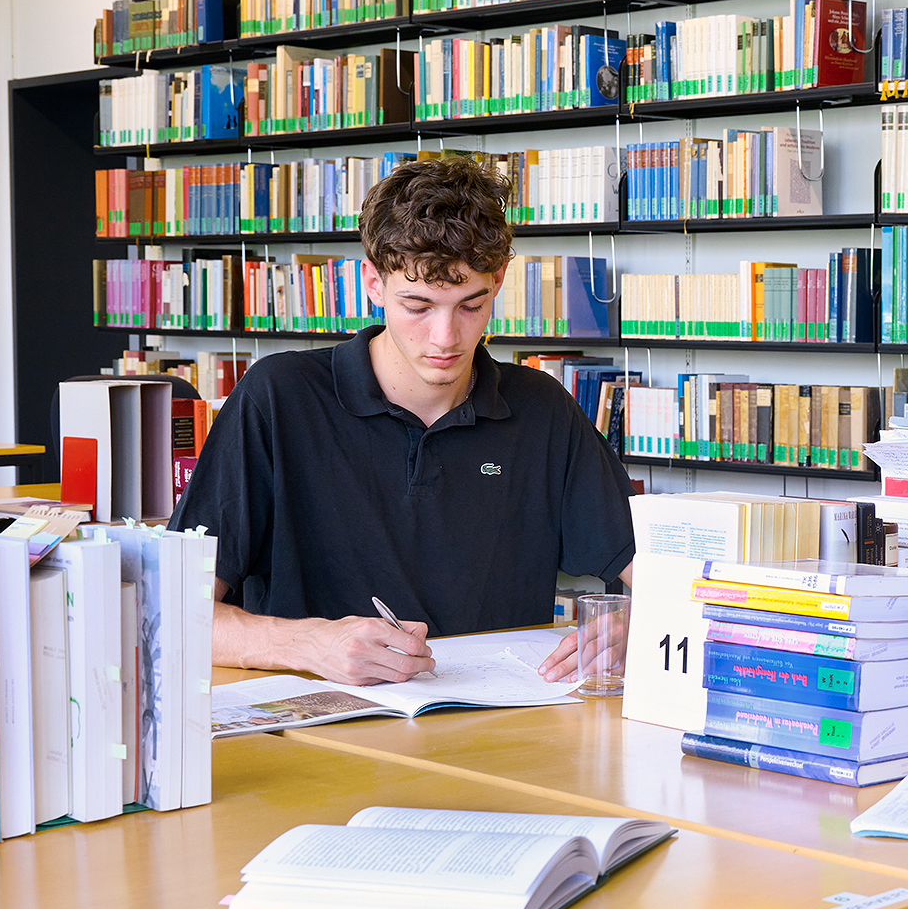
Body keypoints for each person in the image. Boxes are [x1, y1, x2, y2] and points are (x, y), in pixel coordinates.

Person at [172, 155, 635, 687]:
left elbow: (672, 580)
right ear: (373, 282)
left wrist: (637, 624)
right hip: (324, 738)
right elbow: (175, 611)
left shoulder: (541, 409)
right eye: (418, 305)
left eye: (470, 305)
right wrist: (308, 644)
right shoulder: (278, 399)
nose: (445, 338)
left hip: (504, 736)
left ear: (499, 280)